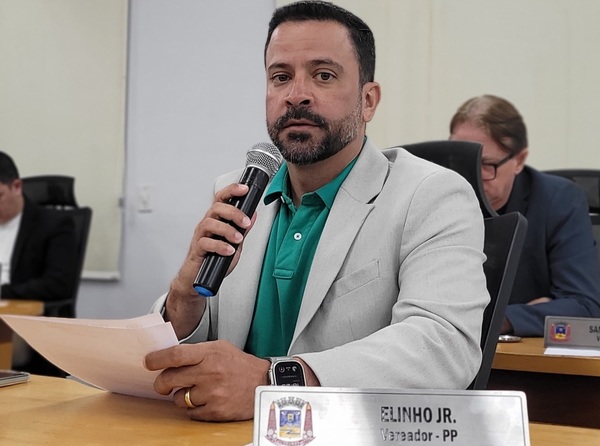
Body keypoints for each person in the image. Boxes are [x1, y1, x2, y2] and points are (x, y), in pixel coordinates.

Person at [146, 1, 489, 422]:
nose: (296, 95)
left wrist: (274, 381)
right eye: (280, 77)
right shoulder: (238, 193)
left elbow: (444, 345)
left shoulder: (431, 196)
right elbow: (194, 351)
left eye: (323, 75)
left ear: (368, 101)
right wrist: (183, 296)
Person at [449, 94, 600, 337]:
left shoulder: (559, 201)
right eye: (461, 162)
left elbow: (584, 306)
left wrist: (500, 319)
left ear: (519, 160)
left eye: (487, 165)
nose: (471, 175)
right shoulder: (439, 196)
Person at [0, 151, 78, 370]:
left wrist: (3, 291)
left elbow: (57, 284)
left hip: (22, 324)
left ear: (17, 186)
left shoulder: (54, 225)